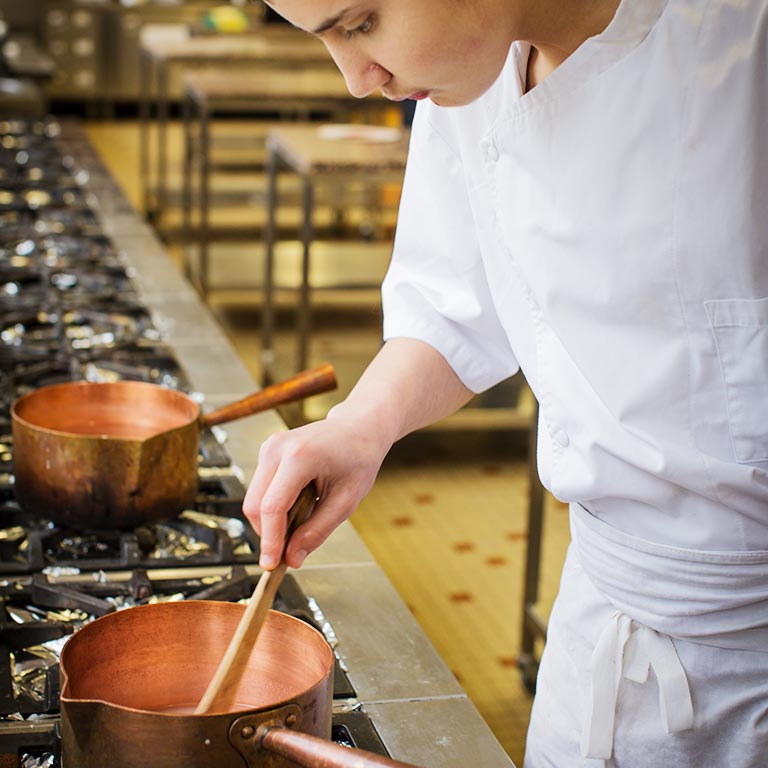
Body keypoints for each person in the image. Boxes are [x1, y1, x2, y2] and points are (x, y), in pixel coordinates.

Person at [243, 1, 768, 766]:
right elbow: (458, 302)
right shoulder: (472, 71)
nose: (357, 80)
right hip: (601, 621)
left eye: (359, 25)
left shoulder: (741, 42)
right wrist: (359, 427)